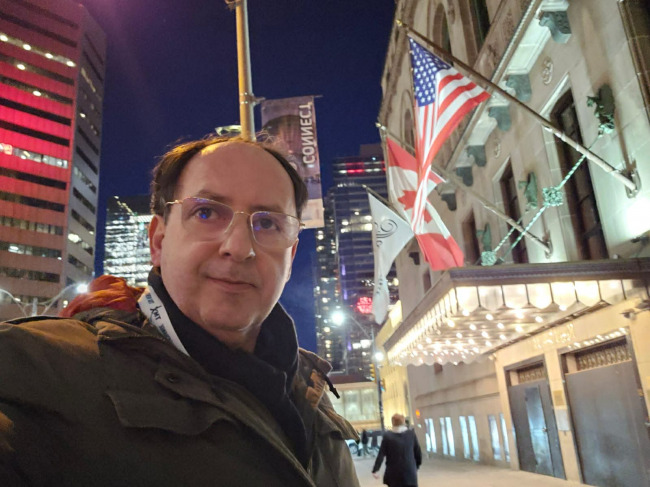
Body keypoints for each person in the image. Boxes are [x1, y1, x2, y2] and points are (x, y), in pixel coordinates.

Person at [0, 136, 360, 487]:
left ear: (290, 256)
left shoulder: (310, 392)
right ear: (158, 240)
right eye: (206, 212)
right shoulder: (41, 369)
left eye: (267, 223)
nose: (239, 248)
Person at [372, 414, 422, 487]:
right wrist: (416, 466)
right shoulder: (411, 434)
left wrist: (375, 470)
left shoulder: (387, 437)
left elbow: (381, 454)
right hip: (409, 473)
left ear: (393, 422)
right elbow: (417, 452)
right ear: (403, 422)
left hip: (393, 474)